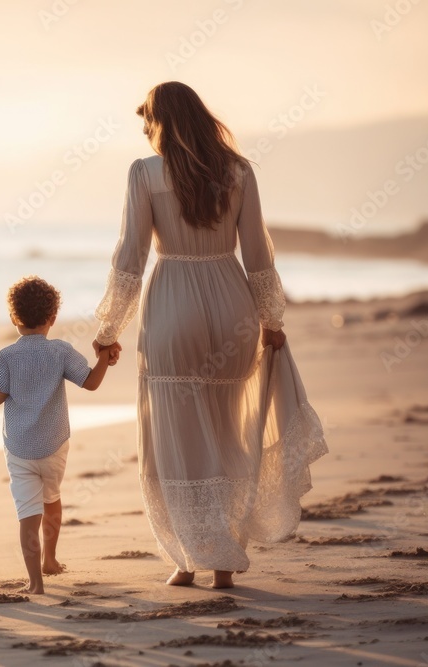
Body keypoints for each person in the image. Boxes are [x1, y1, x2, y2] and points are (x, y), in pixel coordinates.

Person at [93, 81, 327, 589]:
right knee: (229, 430)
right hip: (231, 304)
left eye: (148, 123)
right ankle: (224, 560)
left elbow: (129, 259)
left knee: (176, 438)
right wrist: (271, 321)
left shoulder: (144, 173)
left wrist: (109, 327)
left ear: (162, 123)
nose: (147, 133)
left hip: (173, 303)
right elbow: (259, 254)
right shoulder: (238, 171)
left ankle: (187, 557)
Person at [0, 277, 115, 594]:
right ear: (53, 317)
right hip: (54, 447)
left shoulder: (6, 357)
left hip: (20, 450)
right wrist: (105, 358)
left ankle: (36, 582)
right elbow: (90, 383)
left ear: (13, 318)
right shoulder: (60, 351)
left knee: (27, 516)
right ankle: (50, 559)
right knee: (52, 500)